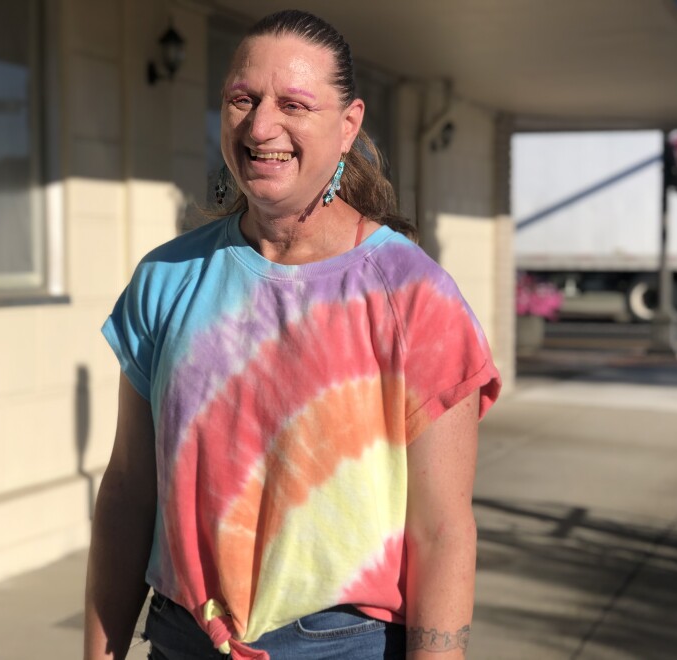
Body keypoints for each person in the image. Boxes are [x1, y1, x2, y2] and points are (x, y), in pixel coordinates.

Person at [84, 9, 500, 660]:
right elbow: (128, 491)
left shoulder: (414, 299)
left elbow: (442, 533)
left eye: (293, 104)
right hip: (180, 639)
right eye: (241, 99)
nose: (260, 125)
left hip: (342, 646)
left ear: (348, 124)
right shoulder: (166, 279)